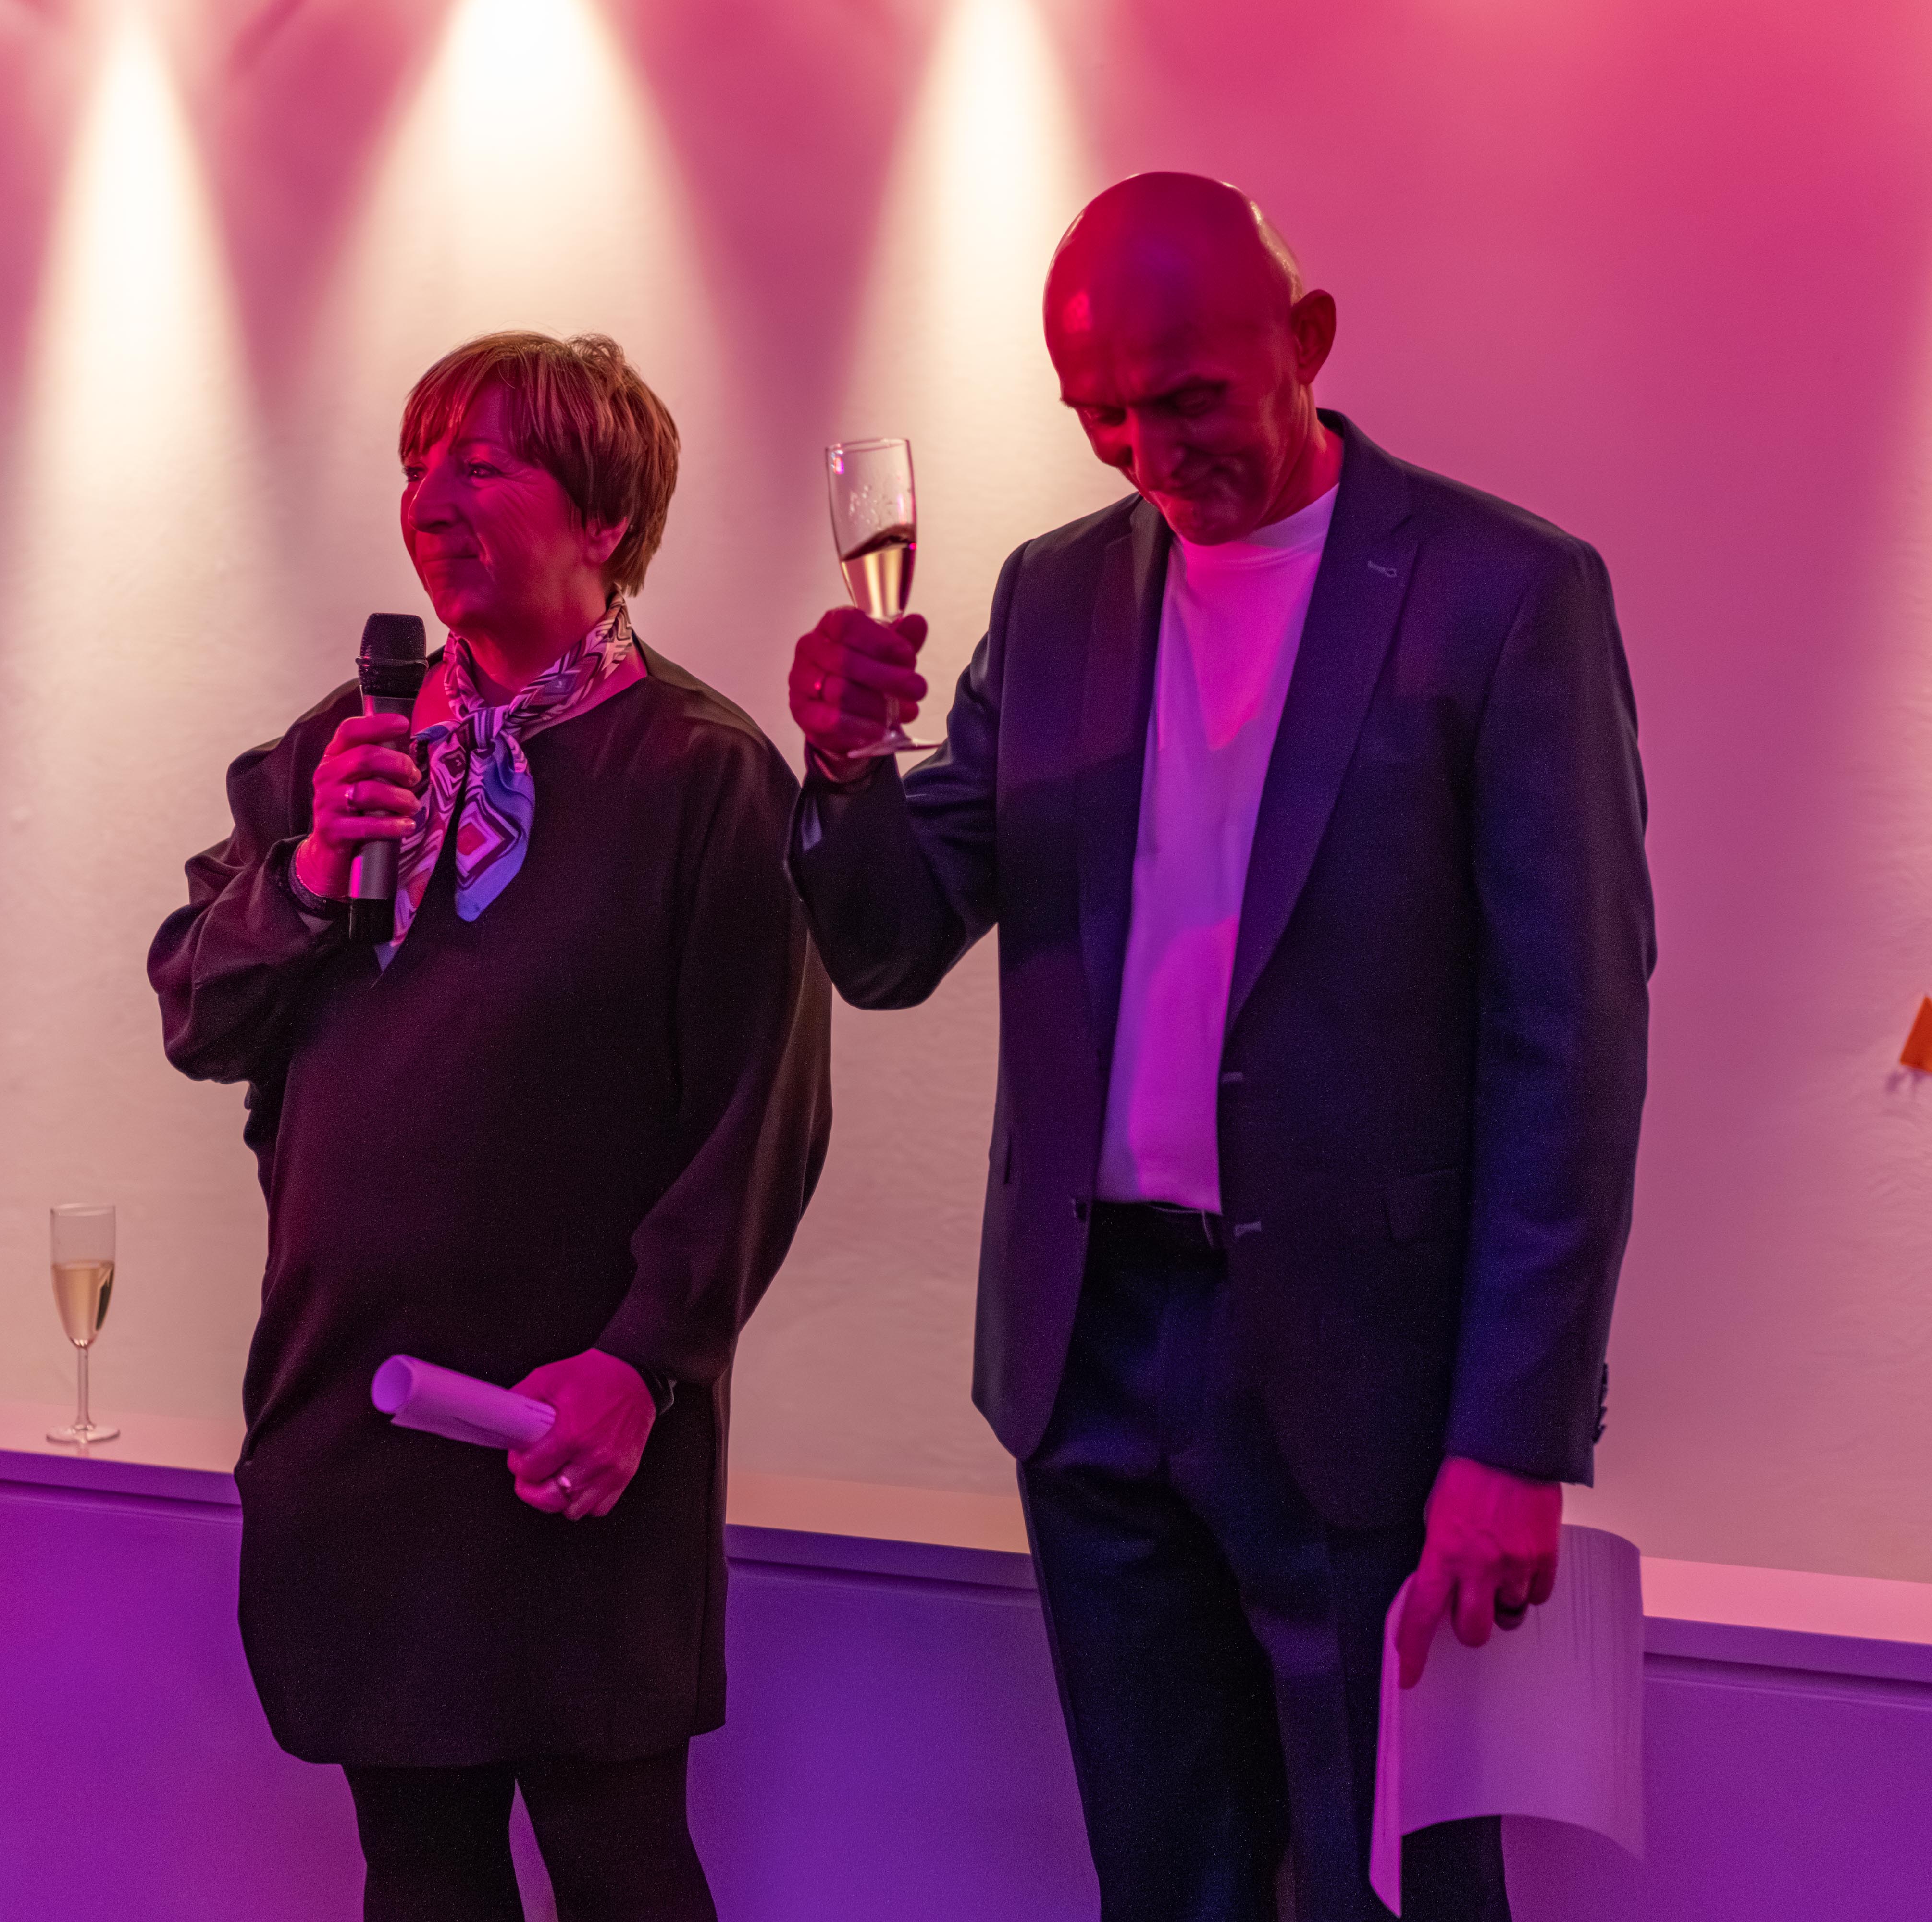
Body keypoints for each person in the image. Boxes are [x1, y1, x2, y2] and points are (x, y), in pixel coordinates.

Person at [784, 175, 1651, 1921]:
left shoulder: (1502, 594)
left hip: (1369, 1376)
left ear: (1307, 340)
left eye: (1186, 398)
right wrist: (844, 771)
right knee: (1162, 1884)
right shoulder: (1053, 600)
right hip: (1092, 1353)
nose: (1147, 453)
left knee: (1391, 1892)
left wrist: (1516, 1435)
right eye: (1100, 415)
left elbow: (1572, 1040)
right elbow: (891, 944)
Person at [151, 331, 832, 1922]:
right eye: (417, 466)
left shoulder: (706, 776)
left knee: (621, 1865)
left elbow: (763, 1109)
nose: (432, 498)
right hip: (358, 1410)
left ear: (604, 516)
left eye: (481, 464)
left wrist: (642, 1363)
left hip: (571, 1431)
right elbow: (198, 1015)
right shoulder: (340, 750)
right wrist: (307, 876)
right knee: (419, 1870)